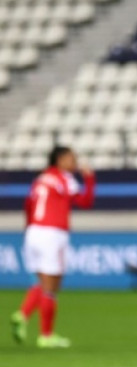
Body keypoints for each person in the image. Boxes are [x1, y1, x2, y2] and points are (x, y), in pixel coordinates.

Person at [11, 145, 95, 348]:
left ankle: (23, 315)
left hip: (32, 232)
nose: (74, 163)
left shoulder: (41, 178)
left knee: (40, 281)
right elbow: (85, 201)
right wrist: (90, 180)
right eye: (71, 159)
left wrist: (30, 229)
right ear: (60, 160)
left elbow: (28, 205)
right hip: (52, 232)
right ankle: (45, 334)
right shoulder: (64, 178)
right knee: (52, 285)